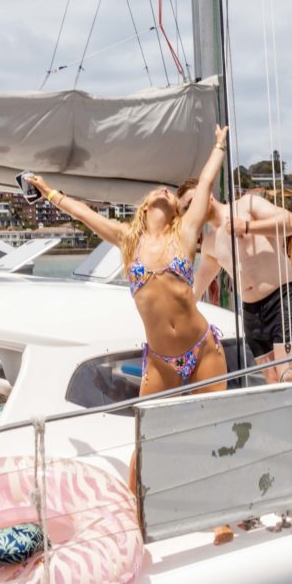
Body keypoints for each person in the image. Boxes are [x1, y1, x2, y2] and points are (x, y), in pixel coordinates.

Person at [29, 125, 231, 401]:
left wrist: (219, 144)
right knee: (148, 438)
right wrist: (49, 192)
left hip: (202, 348)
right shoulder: (128, 240)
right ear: (145, 207)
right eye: (157, 190)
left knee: (215, 425)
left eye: (169, 192)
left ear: (175, 209)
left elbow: (206, 181)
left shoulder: (184, 234)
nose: (163, 190)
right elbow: (85, 215)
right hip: (161, 361)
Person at [196, 185, 292, 382]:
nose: (193, 206)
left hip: (282, 298)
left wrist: (247, 227)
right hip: (251, 312)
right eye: (188, 207)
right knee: (272, 379)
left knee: (288, 376)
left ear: (209, 195)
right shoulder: (210, 243)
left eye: (194, 200)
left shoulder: (246, 204)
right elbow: (196, 288)